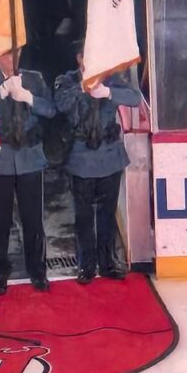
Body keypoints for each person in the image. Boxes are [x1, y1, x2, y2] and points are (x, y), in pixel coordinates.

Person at [54, 45, 140, 285]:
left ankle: (108, 261)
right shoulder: (68, 80)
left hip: (109, 156)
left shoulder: (112, 78)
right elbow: (59, 104)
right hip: (81, 157)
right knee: (83, 216)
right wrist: (83, 87)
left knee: (107, 213)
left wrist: (108, 93)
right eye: (86, 56)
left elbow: (134, 98)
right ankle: (86, 264)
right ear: (79, 58)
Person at [0, 50, 55, 294]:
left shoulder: (34, 79)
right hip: (1, 159)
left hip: (29, 156)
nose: (13, 59)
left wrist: (28, 97)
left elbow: (50, 110)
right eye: (7, 55)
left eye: (16, 53)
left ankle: (37, 271)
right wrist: (1, 92)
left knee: (33, 220)